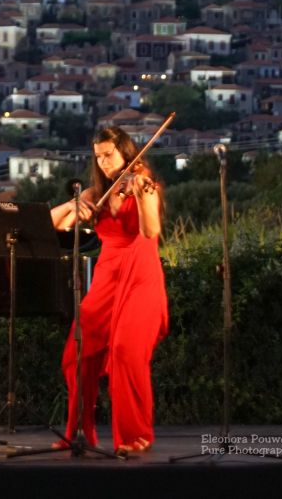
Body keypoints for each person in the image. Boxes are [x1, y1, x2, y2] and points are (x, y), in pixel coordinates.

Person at [48, 126, 169, 454]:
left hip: (141, 278)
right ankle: (78, 433)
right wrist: (75, 208)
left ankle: (136, 435)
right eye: (98, 156)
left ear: (126, 153)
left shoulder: (144, 184)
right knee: (76, 356)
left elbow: (150, 231)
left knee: (126, 353)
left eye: (109, 155)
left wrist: (143, 195)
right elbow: (52, 224)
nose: (102, 162)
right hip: (107, 280)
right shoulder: (93, 194)